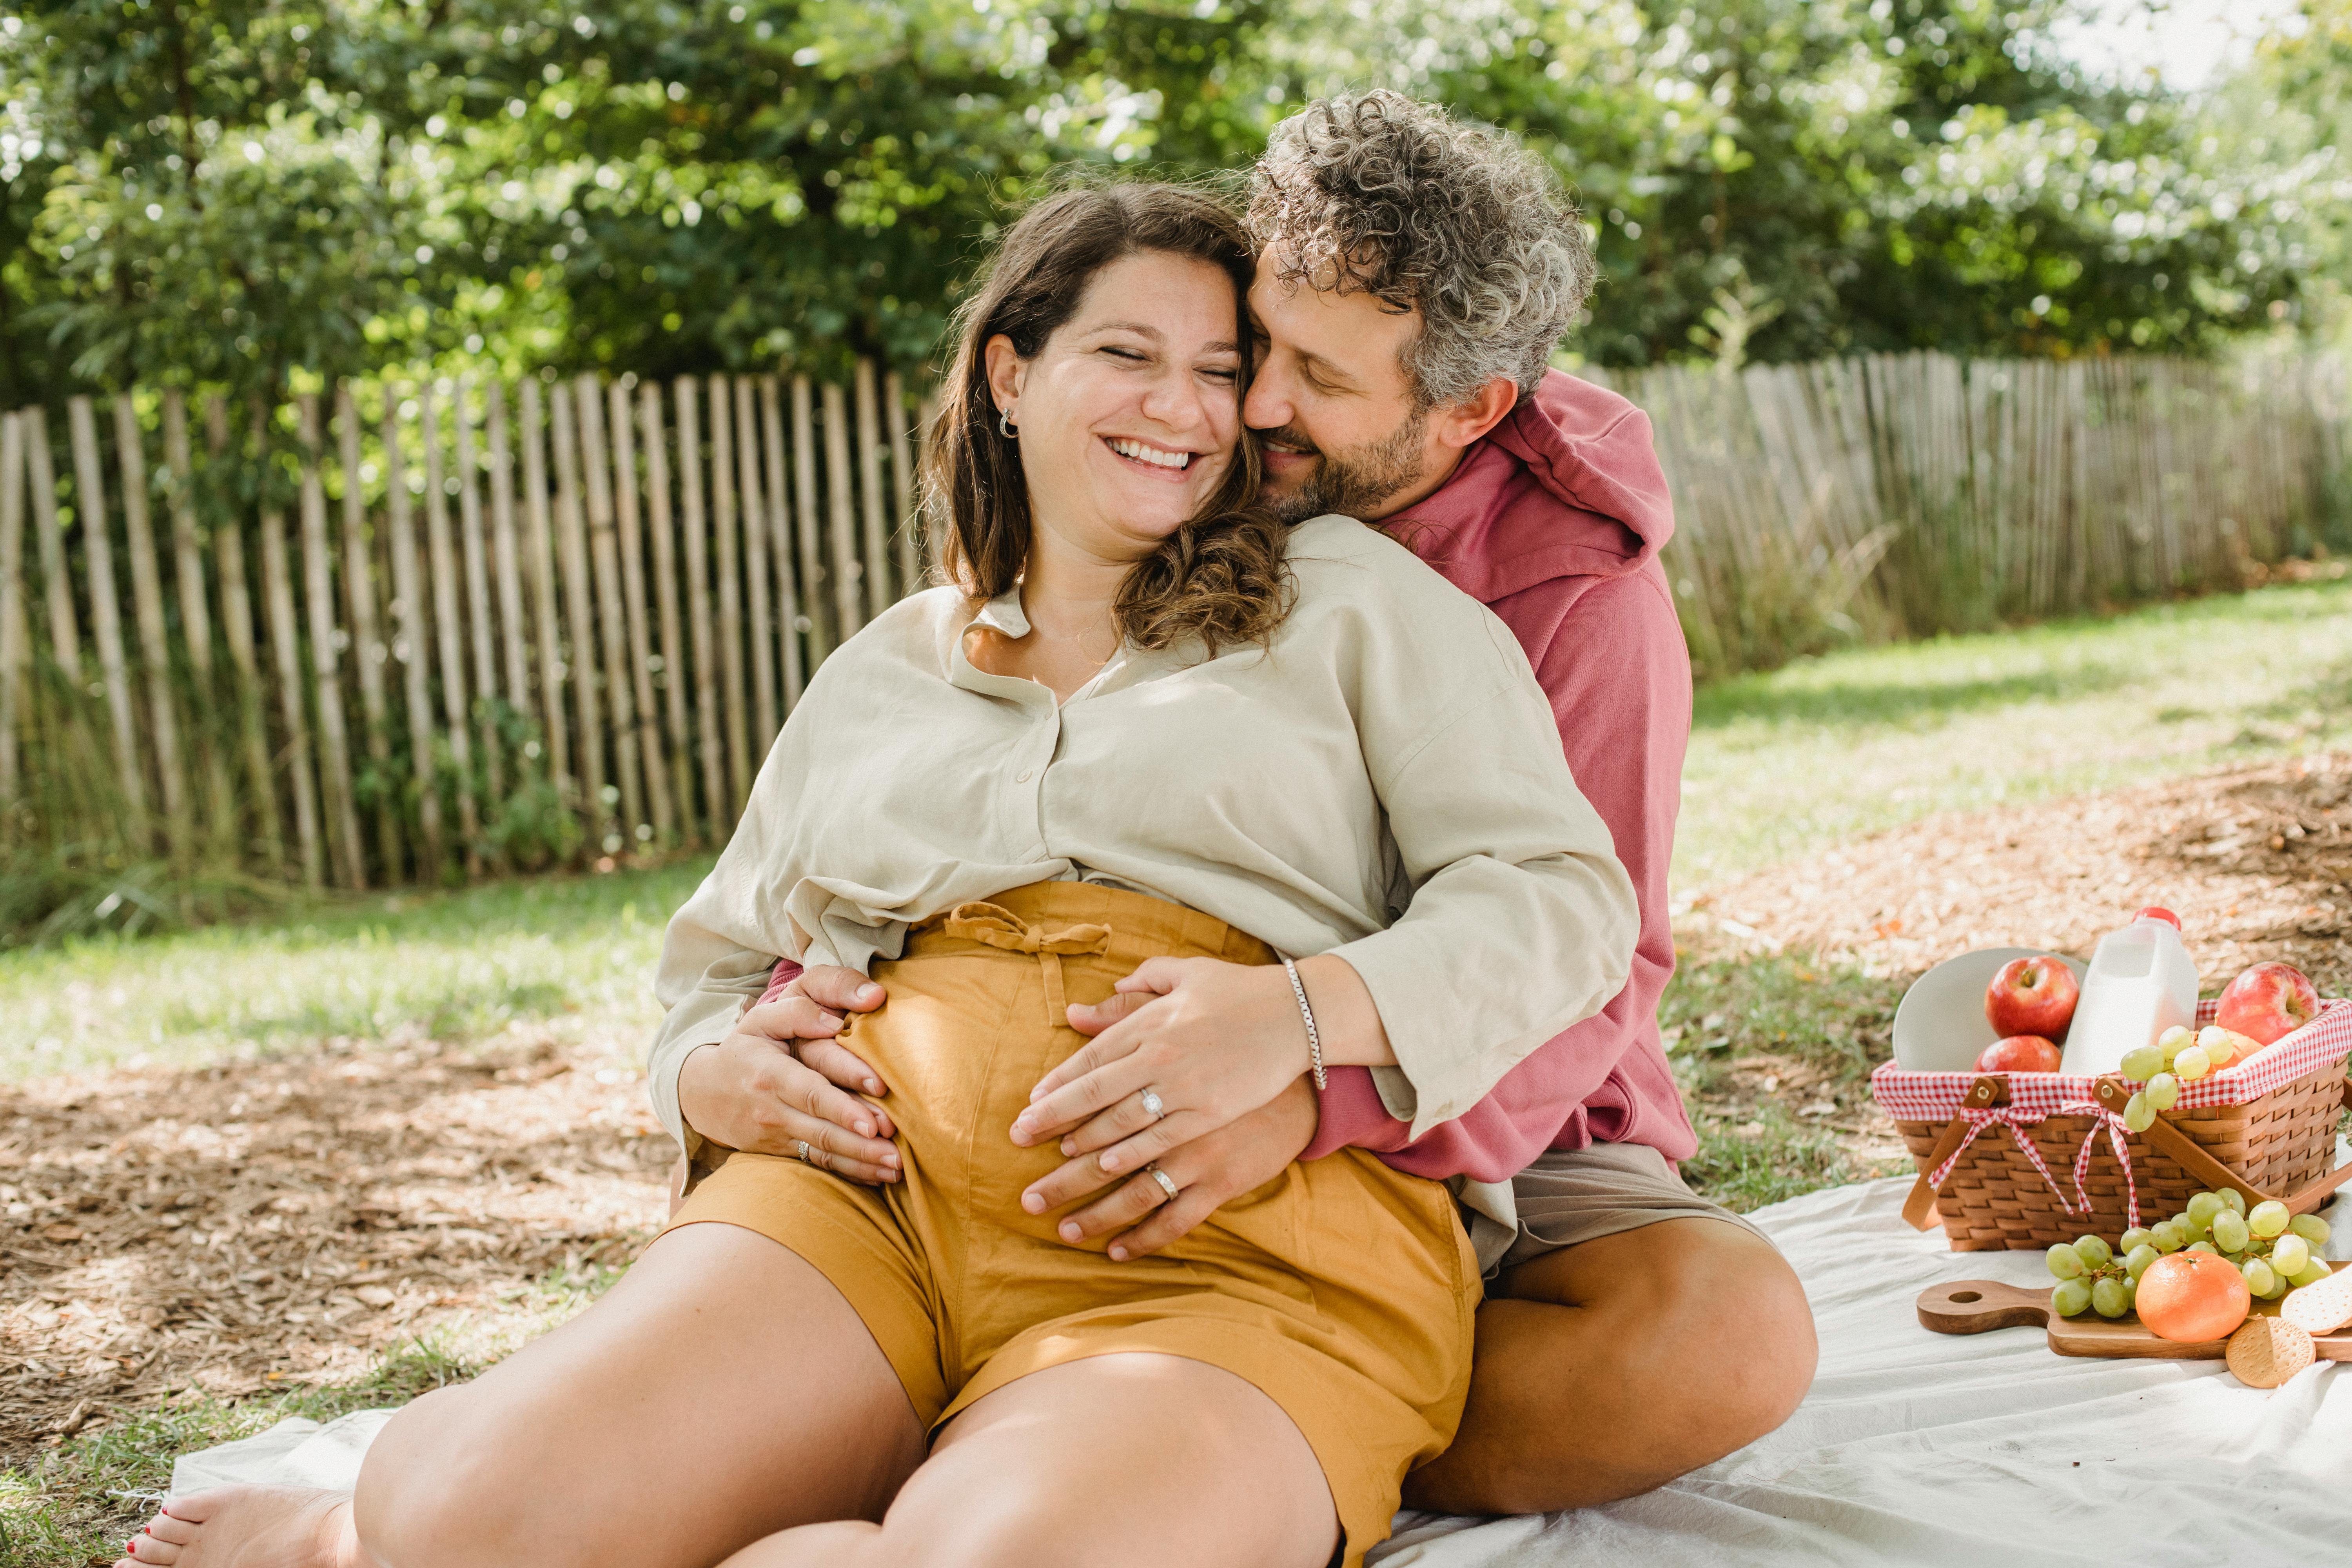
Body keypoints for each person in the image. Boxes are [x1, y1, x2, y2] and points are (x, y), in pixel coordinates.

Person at [118, 181, 1638, 1568]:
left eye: (1224, 369)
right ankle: (345, 1536)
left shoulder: (1356, 603)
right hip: (863, 1213)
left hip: (1227, 1256)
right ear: (1008, 371)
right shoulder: (886, 666)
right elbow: (711, 965)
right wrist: (710, 1077)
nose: (1184, 405)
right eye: (1128, 353)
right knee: (472, 1517)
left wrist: (1299, 1016)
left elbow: (1564, 899)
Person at [700, 89, 1818, 1518]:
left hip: (1492, 1112)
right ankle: (988, 1406)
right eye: (1258, 345)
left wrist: (1315, 1096)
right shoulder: (1174, 492)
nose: (1253, 408)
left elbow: (1587, 962)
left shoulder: (1570, 594)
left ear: (1466, 409)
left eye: (1320, 379)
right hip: (1091, 1108)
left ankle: (1256, 1431)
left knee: (1716, 1332)